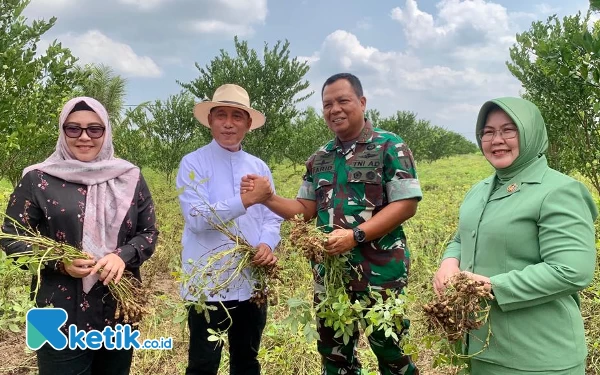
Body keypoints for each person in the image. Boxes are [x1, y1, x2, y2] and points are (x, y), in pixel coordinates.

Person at [242, 73, 422, 375]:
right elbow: (304, 210)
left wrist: (356, 235)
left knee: (392, 353)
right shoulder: (320, 158)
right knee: (335, 356)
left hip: (380, 273)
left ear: (362, 103)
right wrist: (267, 198)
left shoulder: (390, 146)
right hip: (331, 276)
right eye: (327, 104)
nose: (334, 109)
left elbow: (406, 205)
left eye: (343, 101)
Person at [433, 97, 597, 374]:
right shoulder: (480, 190)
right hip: (479, 348)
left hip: (536, 356)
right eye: (488, 132)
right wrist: (449, 262)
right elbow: (463, 238)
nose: (496, 139)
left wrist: (491, 286)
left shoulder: (559, 191)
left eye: (509, 130)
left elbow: (572, 270)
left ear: (530, 133)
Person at [0, 97, 159, 375]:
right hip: (57, 312)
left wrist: (122, 256)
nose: (84, 137)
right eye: (73, 129)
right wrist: (60, 263)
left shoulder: (129, 177)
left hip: (118, 308)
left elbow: (148, 233)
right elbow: (11, 236)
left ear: (106, 132)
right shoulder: (38, 179)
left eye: (94, 129)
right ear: (62, 132)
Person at [176, 83, 282, 375]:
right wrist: (245, 200)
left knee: (247, 361)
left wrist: (266, 244)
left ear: (248, 123)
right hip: (208, 284)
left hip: (251, 283)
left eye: (237, 116)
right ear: (209, 120)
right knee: (202, 363)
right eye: (220, 115)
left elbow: (273, 218)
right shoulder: (193, 163)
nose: (228, 123)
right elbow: (196, 218)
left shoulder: (259, 167)